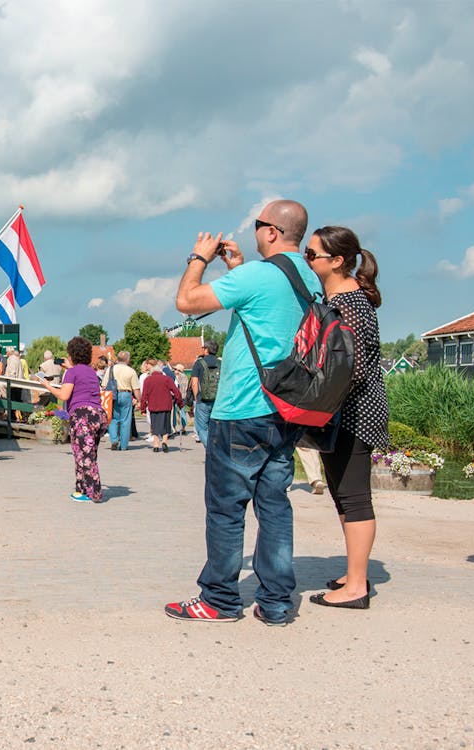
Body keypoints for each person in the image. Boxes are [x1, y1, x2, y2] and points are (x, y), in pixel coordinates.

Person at [165, 199, 321, 627]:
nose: (254, 232)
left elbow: (186, 301)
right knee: (274, 505)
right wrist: (236, 266)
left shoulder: (259, 274)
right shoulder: (310, 279)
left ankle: (218, 599)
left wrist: (199, 256)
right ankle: (275, 604)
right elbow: (266, 314)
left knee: (226, 508)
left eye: (258, 225)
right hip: (286, 408)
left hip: (241, 409)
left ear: (271, 232)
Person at [304, 226, 389, 610]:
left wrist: (310, 397)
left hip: (353, 412)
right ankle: (354, 572)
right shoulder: (342, 298)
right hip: (343, 411)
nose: (307, 260)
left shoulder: (350, 304)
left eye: (312, 255)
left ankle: (356, 586)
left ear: (336, 261)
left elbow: (346, 367)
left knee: (354, 499)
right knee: (342, 494)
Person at [38, 336, 108, 502]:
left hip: (82, 415)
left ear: (71, 354)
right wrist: (70, 367)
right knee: (89, 454)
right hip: (98, 414)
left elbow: (64, 394)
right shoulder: (90, 371)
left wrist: (47, 386)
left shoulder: (71, 373)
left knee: (82, 455)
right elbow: (81, 378)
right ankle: (82, 489)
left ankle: (94, 492)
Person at [140, 361, 182, 453]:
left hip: (153, 406)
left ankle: (156, 445)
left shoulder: (147, 380)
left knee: (154, 425)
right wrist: (180, 403)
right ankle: (164, 441)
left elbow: (144, 396)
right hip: (166, 405)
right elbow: (176, 391)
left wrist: (142, 408)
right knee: (166, 424)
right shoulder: (166, 379)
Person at [105, 351, 140, 451]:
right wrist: (139, 400)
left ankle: (114, 439)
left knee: (113, 419)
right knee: (125, 420)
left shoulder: (110, 369)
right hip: (126, 394)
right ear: (127, 359)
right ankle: (124, 445)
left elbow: (104, 385)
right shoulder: (131, 371)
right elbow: (136, 389)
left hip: (112, 395)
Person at [189, 341, 220, 445]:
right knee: (215, 427)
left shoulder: (199, 363)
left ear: (206, 349)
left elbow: (194, 382)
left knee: (201, 428)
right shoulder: (220, 363)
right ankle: (216, 448)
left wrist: (196, 396)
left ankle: (211, 450)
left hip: (202, 400)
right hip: (218, 400)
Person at [4, 346, 25, 421]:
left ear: (9, 352)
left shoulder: (12, 360)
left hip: (13, 385)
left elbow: (12, 373)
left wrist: (8, 383)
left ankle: (12, 418)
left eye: (6, 352)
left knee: (12, 402)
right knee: (17, 401)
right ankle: (19, 417)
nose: (6, 354)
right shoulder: (17, 359)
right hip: (18, 384)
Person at [172, 363, 189, 436]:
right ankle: (183, 427)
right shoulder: (185, 377)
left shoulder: (179, 377)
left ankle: (175, 427)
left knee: (176, 412)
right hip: (183, 396)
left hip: (178, 396)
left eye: (175, 369)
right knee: (182, 412)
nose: (174, 370)